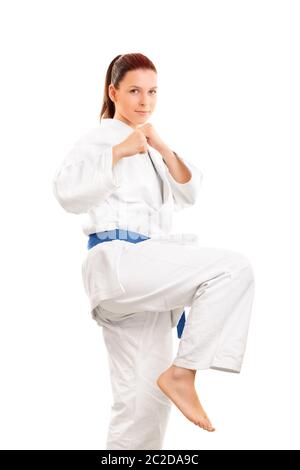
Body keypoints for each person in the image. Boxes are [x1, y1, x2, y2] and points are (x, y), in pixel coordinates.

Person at [52, 52, 255, 450]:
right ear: (113, 93)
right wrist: (117, 152)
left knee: (143, 407)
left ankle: (160, 401)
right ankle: (184, 372)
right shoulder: (101, 137)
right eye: (134, 91)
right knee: (232, 269)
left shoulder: (151, 143)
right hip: (119, 262)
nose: (144, 101)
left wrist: (160, 144)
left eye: (152, 92)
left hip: (145, 281)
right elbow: (65, 191)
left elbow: (189, 190)